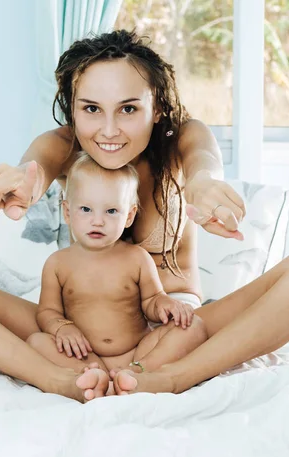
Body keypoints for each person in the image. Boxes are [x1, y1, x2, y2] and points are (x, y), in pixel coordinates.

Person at [0, 29, 289, 402]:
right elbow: (36, 168)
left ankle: (173, 377)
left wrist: (204, 185)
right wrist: (23, 181)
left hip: (172, 327)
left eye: (129, 109)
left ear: (157, 109)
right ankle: (57, 380)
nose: (109, 130)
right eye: (91, 108)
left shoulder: (181, 139)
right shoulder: (66, 144)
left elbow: (203, 162)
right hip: (74, 330)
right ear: (73, 110)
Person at [28, 153, 207, 396]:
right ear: (67, 212)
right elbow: (47, 312)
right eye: (86, 209)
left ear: (129, 216)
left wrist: (163, 303)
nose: (98, 221)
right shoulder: (58, 263)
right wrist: (62, 328)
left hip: (137, 352)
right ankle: (95, 376)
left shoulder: (136, 258)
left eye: (111, 211)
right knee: (36, 343)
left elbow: (151, 300)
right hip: (84, 355)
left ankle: (136, 374)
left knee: (193, 326)